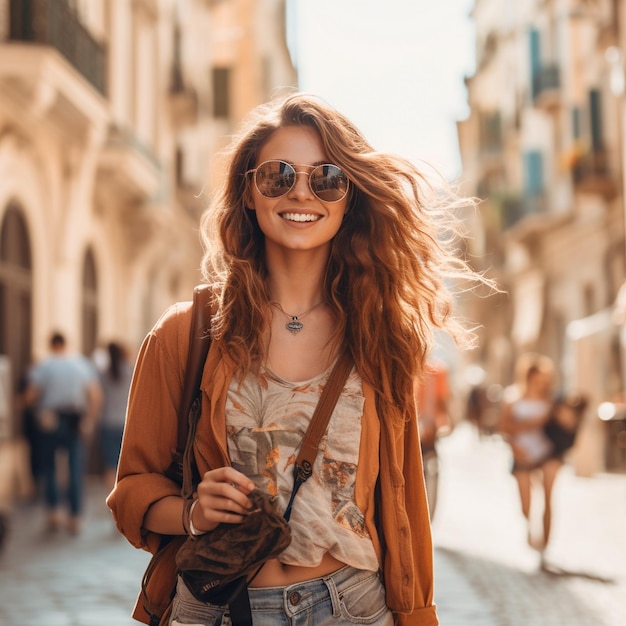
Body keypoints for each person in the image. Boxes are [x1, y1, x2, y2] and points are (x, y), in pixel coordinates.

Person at [107, 92, 485, 626]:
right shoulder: (185, 333)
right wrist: (193, 513)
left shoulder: (381, 335)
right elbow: (132, 493)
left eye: (326, 177)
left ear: (348, 197)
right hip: (218, 610)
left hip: (349, 607)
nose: (301, 192)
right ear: (248, 193)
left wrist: (418, 616)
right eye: (278, 176)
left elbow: (401, 508)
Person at [25, 332, 102, 534]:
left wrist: (22, 403)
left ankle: (53, 512)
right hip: (75, 418)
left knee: (49, 466)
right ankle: (75, 516)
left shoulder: (44, 365)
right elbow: (94, 394)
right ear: (65, 344)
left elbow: (33, 394)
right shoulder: (81, 364)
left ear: (51, 345)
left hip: (50, 418)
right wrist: (90, 420)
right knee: (75, 466)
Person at [499, 353, 556, 551]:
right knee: (525, 503)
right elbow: (505, 428)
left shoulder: (550, 400)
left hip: (546, 453)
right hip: (520, 453)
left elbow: (555, 428)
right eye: (537, 378)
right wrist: (530, 426)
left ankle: (545, 543)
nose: (541, 382)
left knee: (548, 497)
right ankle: (530, 529)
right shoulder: (512, 397)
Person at [98, 341, 133, 493]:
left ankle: (112, 496)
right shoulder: (131, 370)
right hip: (127, 422)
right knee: (127, 463)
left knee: (110, 464)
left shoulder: (103, 373)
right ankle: (124, 496)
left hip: (107, 422)